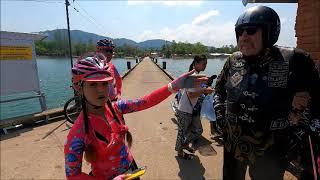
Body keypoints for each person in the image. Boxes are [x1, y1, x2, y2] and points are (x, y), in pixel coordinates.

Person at [213, 6, 320, 180]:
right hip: (233, 143)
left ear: (270, 32)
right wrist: (220, 115)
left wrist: (302, 131)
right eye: (240, 32)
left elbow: (316, 98)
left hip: (271, 148)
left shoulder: (294, 60)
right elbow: (219, 91)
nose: (244, 37)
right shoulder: (233, 60)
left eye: (251, 30)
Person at [64, 52, 207, 179]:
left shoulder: (116, 108)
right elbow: (73, 175)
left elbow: (146, 101)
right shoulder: (77, 133)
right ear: (79, 87)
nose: (101, 90)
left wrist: (173, 86)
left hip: (131, 169)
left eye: (105, 83)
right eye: (93, 84)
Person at [175, 55, 214, 160]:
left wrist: (204, 88)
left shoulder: (195, 75)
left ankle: (185, 145)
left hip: (191, 108)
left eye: (206, 63)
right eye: (203, 63)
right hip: (185, 109)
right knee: (182, 132)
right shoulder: (193, 76)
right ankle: (180, 152)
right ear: (196, 63)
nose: (205, 65)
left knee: (197, 130)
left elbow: (194, 92)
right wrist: (205, 91)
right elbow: (191, 95)